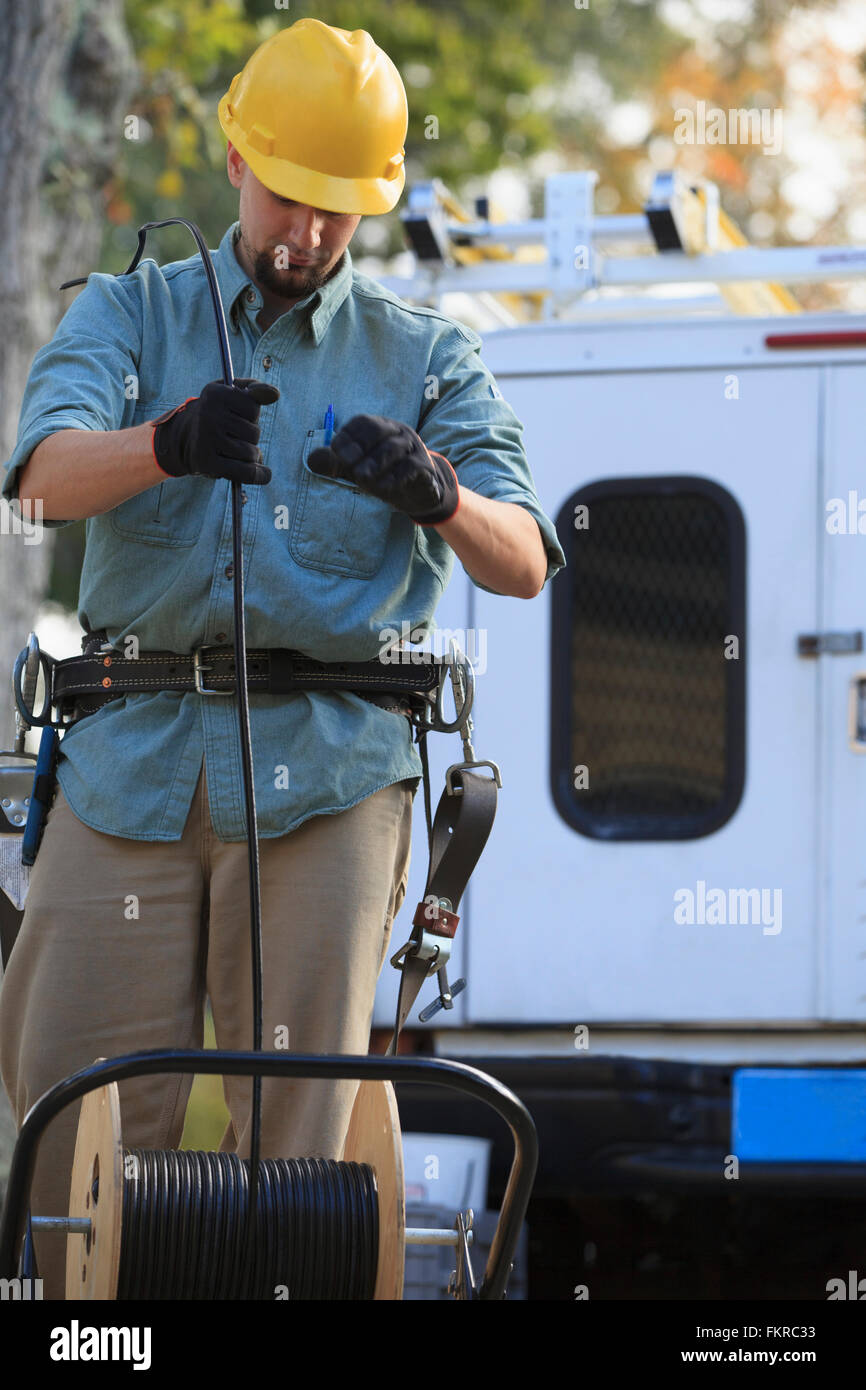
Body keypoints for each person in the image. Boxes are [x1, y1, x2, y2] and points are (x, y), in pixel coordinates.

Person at [0, 17, 566, 1298]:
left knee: (294, 1144)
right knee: (71, 1121)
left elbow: (523, 558)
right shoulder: (126, 310)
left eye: (337, 211)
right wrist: (170, 442)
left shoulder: (426, 354)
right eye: (290, 197)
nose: (308, 235)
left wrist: (436, 493)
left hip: (326, 778)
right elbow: (36, 483)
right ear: (236, 157)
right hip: (125, 765)